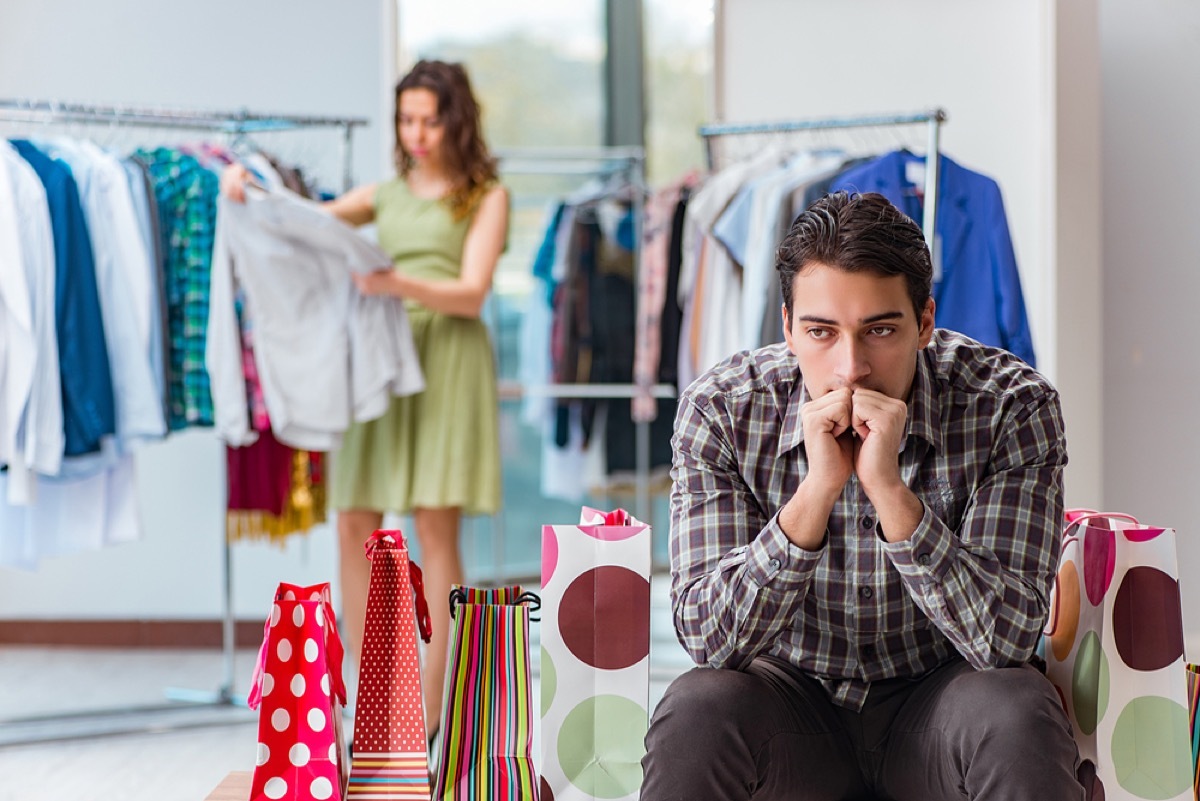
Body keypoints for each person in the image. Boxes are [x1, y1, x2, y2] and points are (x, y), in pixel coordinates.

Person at [641, 191, 1082, 800]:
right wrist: (816, 492)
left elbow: (1006, 638)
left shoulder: (1010, 405)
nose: (851, 367)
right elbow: (709, 638)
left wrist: (890, 492)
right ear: (788, 328)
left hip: (944, 699)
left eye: (879, 330)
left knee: (1018, 709)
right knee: (696, 710)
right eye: (822, 332)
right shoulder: (722, 411)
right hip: (792, 707)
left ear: (925, 322)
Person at [221, 59, 508, 737]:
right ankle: (369, 703)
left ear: (455, 120)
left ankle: (436, 710)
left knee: (437, 528)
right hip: (382, 360)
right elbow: (300, 221)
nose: (416, 133)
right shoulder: (385, 192)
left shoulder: (484, 195)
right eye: (406, 119)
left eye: (429, 119)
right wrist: (245, 187)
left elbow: (471, 292)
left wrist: (393, 283)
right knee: (354, 519)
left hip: (449, 359)